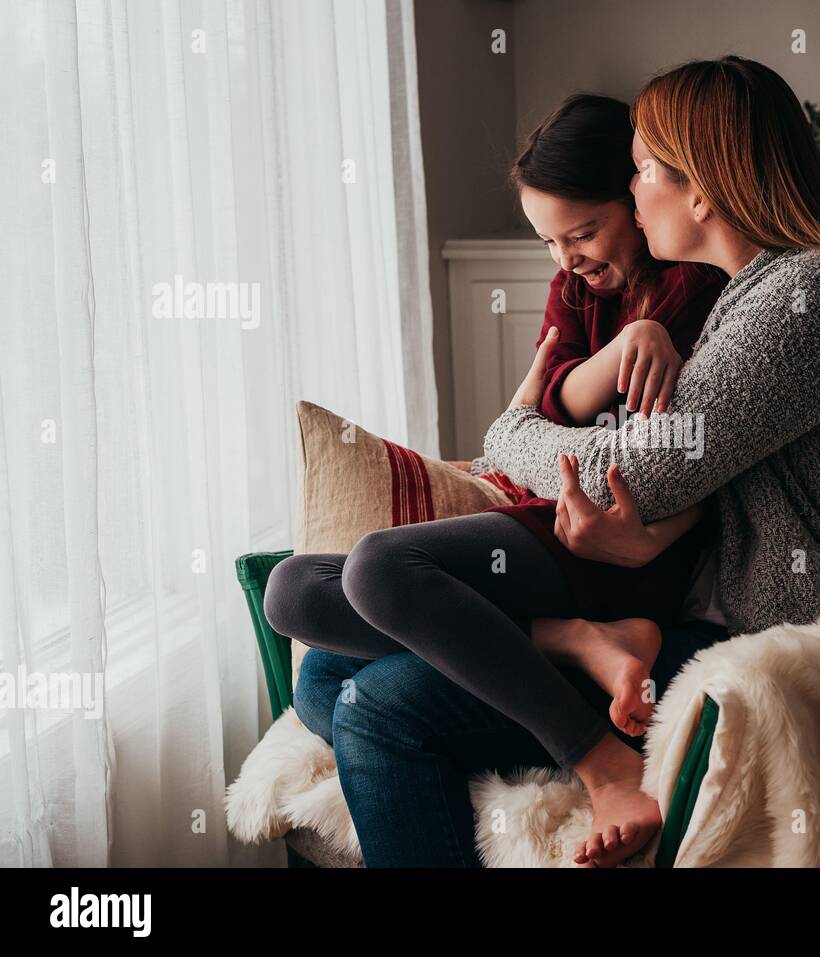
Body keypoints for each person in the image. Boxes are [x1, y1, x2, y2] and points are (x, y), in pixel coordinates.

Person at [289, 55, 820, 868]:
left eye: (640, 172)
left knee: (376, 703)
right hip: (713, 616)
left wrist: (512, 428)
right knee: (325, 674)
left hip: (777, 650)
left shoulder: (801, 300)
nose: (632, 193)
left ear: (699, 188)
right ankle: (571, 647)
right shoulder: (758, 289)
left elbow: (629, 471)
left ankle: (606, 762)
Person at [265, 93, 726, 867]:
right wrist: (618, 354)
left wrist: (628, 350)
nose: (566, 258)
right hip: (547, 536)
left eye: (583, 232)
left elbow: (660, 460)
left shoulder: (693, 291)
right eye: (549, 240)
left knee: (379, 567)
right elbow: (548, 396)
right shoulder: (583, 289)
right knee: (298, 607)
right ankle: (573, 643)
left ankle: (602, 760)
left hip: (605, 552)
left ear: (640, 198)